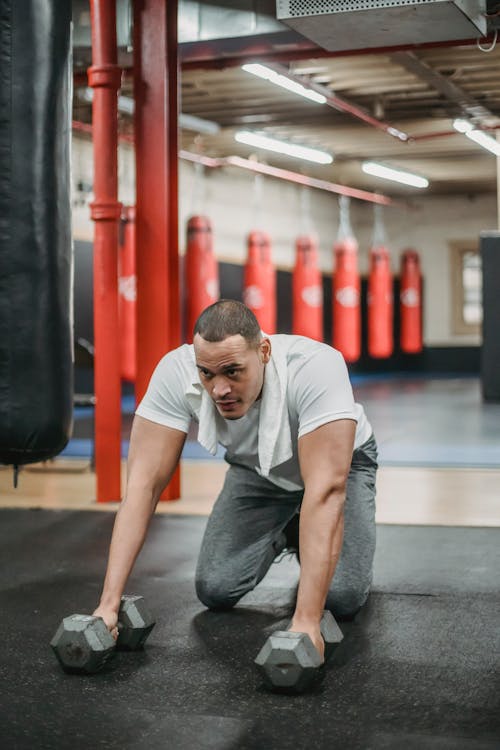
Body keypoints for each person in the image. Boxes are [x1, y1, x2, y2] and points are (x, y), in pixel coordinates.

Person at [93, 299, 377, 661]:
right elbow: (141, 488)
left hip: (340, 470)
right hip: (257, 471)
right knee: (216, 588)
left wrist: (306, 622)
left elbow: (326, 491)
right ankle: (291, 531)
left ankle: (308, 534)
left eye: (232, 371)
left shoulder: (315, 366)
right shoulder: (176, 372)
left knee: (341, 598)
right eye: (207, 374)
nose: (219, 390)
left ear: (264, 351)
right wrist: (108, 605)